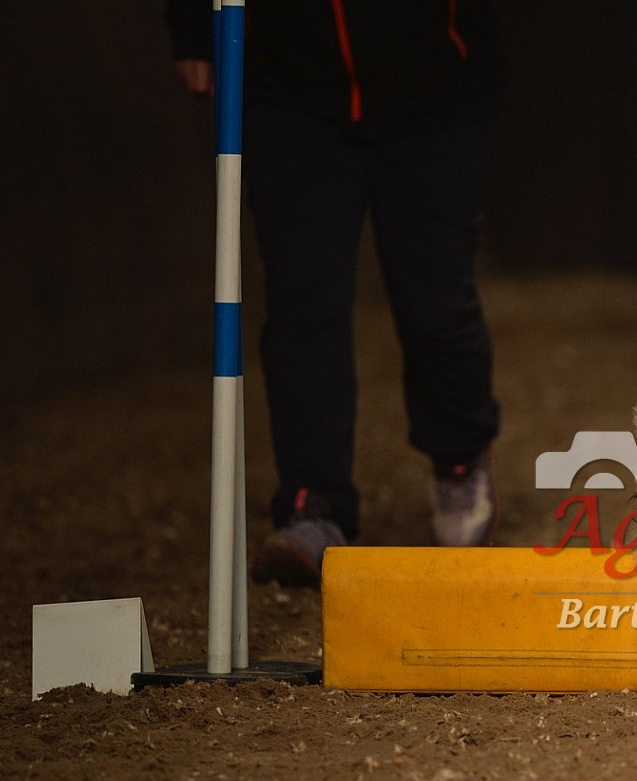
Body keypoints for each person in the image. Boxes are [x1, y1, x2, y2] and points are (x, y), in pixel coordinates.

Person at [166, 1, 505, 586]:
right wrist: (194, 22)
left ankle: (458, 460)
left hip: (435, 84)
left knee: (436, 300)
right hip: (288, 88)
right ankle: (312, 502)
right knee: (303, 304)